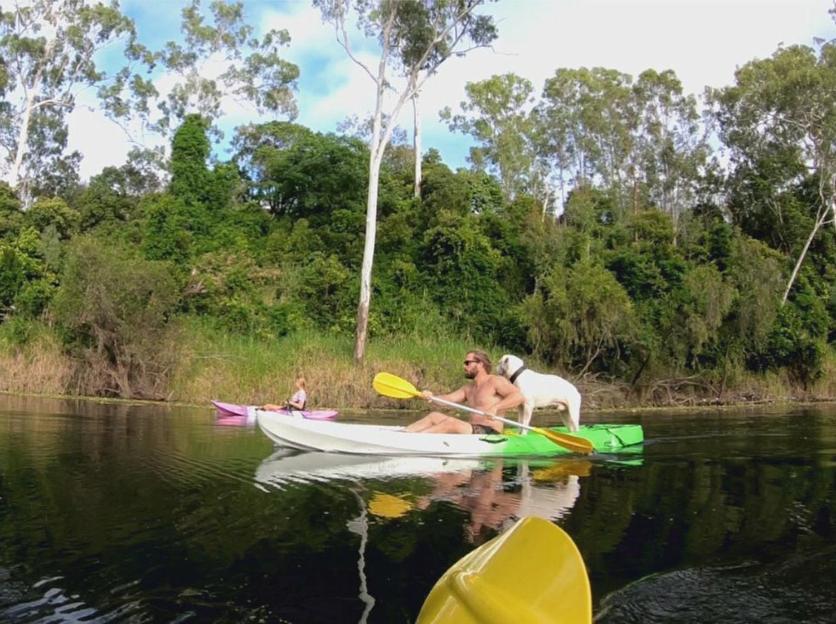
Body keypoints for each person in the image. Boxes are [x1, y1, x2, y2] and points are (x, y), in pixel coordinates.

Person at [405, 351, 524, 434]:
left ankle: (416, 439)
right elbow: (448, 399)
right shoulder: (468, 388)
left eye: (468, 363)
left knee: (451, 422)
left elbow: (518, 396)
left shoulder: (495, 381)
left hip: (490, 432)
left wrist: (495, 408)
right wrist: (431, 397)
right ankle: (404, 433)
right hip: (472, 430)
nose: (464, 366)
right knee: (434, 416)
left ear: (480, 364)